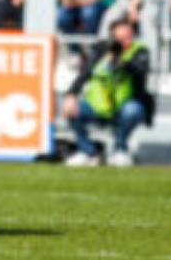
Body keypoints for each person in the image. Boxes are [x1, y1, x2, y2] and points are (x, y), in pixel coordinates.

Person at [62, 18, 153, 167]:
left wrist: (122, 63)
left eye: (129, 37)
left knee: (134, 110)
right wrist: (71, 94)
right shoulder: (100, 50)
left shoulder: (139, 51)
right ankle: (88, 152)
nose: (126, 42)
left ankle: (120, 149)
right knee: (71, 109)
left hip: (122, 106)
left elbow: (140, 72)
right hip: (98, 105)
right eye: (121, 39)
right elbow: (85, 73)